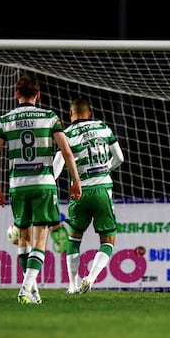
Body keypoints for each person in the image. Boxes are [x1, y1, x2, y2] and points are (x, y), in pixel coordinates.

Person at [0, 75, 82, 304]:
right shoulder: (49, 117)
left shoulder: (4, 120)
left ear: (16, 94)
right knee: (40, 239)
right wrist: (75, 181)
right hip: (43, 184)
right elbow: (67, 152)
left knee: (23, 237)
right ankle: (26, 289)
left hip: (18, 186)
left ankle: (33, 292)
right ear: (38, 95)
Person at [52, 98, 125, 294]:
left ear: (71, 114)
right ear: (89, 113)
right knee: (108, 241)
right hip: (102, 190)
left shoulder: (66, 134)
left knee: (73, 239)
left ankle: (73, 285)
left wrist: (50, 185)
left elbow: (57, 167)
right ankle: (90, 278)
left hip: (79, 191)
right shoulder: (103, 128)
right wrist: (102, 170)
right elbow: (120, 158)